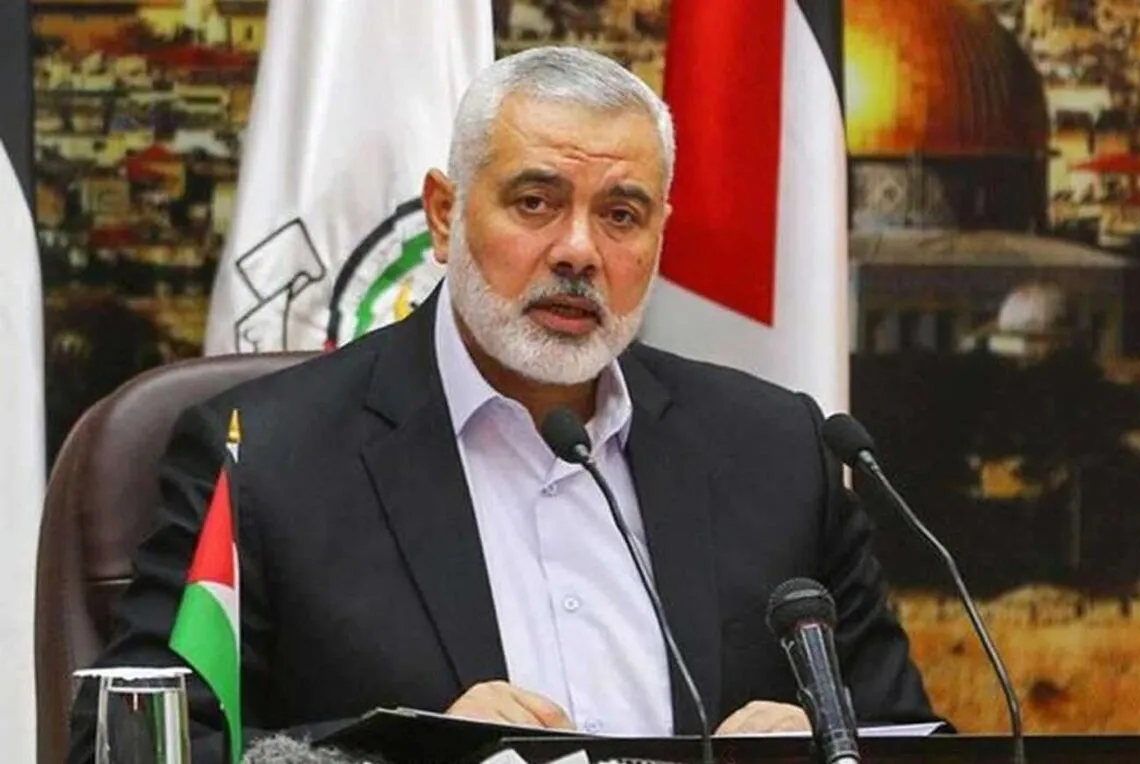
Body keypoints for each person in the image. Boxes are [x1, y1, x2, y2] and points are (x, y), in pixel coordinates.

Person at [70, 46, 936, 762]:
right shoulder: (264, 458)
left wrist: (830, 746)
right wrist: (410, 756)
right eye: (535, 202)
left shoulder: (776, 451)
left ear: (659, 238)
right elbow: (137, 745)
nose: (578, 251)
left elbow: (911, 734)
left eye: (621, 215)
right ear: (444, 215)